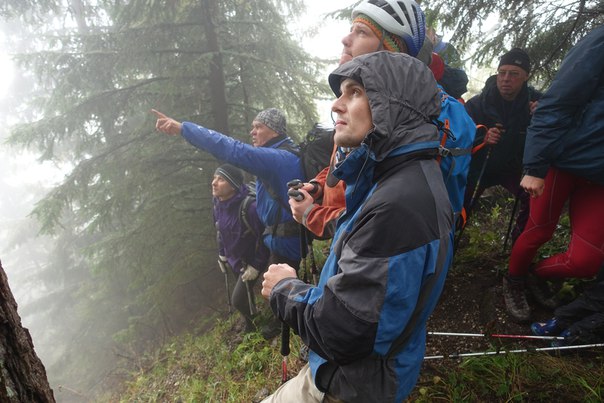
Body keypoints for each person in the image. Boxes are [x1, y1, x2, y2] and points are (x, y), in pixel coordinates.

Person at [261, 51, 453, 403]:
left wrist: (284, 287)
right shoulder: (398, 178)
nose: (337, 105)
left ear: (394, 105)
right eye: (341, 93)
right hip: (363, 372)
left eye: (355, 92)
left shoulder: (399, 203)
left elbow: (342, 330)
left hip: (350, 386)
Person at [290, 0, 474, 240]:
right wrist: (318, 186)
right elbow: (346, 162)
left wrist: (311, 215)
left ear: (390, 53)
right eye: (351, 29)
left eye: (362, 32)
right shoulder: (364, 106)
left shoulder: (412, 117)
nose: (345, 40)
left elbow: (383, 220)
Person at [503, 25, 604, 323]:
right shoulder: (600, 42)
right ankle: (514, 280)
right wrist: (535, 167)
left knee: (585, 262)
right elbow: (557, 103)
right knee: (539, 231)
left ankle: (533, 274)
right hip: (564, 160)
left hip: (598, 177)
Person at [152, 108, 303, 269]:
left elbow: (232, 149)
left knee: (281, 292)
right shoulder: (283, 154)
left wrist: (184, 129)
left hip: (287, 248)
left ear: (275, 131)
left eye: (258, 127)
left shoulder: (277, 159)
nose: (252, 132)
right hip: (284, 243)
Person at [463, 48, 542, 242]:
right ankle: (453, 236)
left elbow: (556, 127)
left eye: (514, 74)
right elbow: (460, 136)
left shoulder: (537, 103)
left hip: (514, 168)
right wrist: (483, 139)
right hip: (480, 166)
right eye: (502, 72)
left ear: (526, 76)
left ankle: (518, 244)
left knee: (533, 200)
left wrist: (542, 116)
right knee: (461, 201)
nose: (506, 78)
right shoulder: (477, 104)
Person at [212, 164, 269, 333]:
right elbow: (219, 230)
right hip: (235, 259)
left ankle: (258, 323)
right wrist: (222, 254)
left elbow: (265, 237)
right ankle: (251, 324)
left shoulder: (250, 208)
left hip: (250, 261)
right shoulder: (217, 204)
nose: (214, 183)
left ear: (233, 184)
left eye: (220, 179)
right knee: (246, 296)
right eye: (214, 178)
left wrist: (256, 265)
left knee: (238, 300)